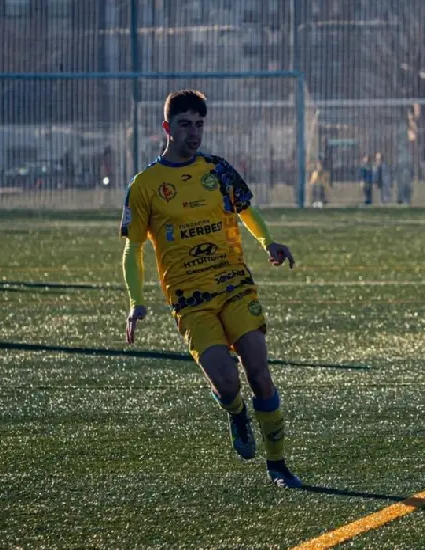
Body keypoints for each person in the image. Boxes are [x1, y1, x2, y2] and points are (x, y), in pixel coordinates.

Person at [120, 89, 302, 488]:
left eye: (199, 124)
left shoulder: (217, 170)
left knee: (260, 372)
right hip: (190, 301)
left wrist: (268, 242)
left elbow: (245, 209)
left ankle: (279, 465)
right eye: (185, 124)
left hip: (235, 285)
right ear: (167, 128)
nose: (194, 133)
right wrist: (136, 302)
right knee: (227, 382)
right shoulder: (146, 185)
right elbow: (133, 247)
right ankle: (237, 413)